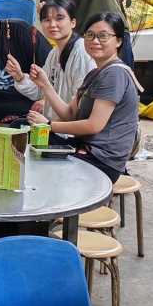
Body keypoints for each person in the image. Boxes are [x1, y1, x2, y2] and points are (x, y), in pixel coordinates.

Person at [27, 12, 142, 183]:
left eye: (103, 36)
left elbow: (93, 126)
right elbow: (70, 114)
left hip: (101, 160)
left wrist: (49, 125)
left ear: (118, 41)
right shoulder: (95, 73)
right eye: (90, 35)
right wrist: (45, 85)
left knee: (36, 166)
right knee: (22, 130)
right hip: (84, 148)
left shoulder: (114, 74)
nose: (95, 41)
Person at [6, 0, 94, 124]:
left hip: (69, 128)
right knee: (17, 124)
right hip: (53, 122)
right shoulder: (54, 53)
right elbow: (40, 91)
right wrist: (19, 76)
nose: (52, 24)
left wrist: (48, 124)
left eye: (59, 18)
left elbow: (80, 108)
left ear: (73, 22)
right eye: (46, 20)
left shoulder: (81, 52)